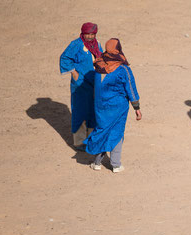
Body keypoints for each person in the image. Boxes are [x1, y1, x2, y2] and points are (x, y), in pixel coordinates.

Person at [85, 39, 141, 173]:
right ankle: (116, 164)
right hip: (118, 107)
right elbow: (131, 89)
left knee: (102, 130)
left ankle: (97, 162)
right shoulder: (123, 69)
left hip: (100, 107)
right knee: (116, 132)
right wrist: (137, 108)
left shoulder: (99, 66)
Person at [59, 22, 103, 150]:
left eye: (92, 34)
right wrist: (74, 72)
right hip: (80, 84)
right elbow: (65, 58)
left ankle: (90, 138)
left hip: (94, 82)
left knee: (93, 110)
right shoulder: (76, 44)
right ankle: (79, 141)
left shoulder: (97, 44)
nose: (90, 36)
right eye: (88, 34)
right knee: (80, 110)